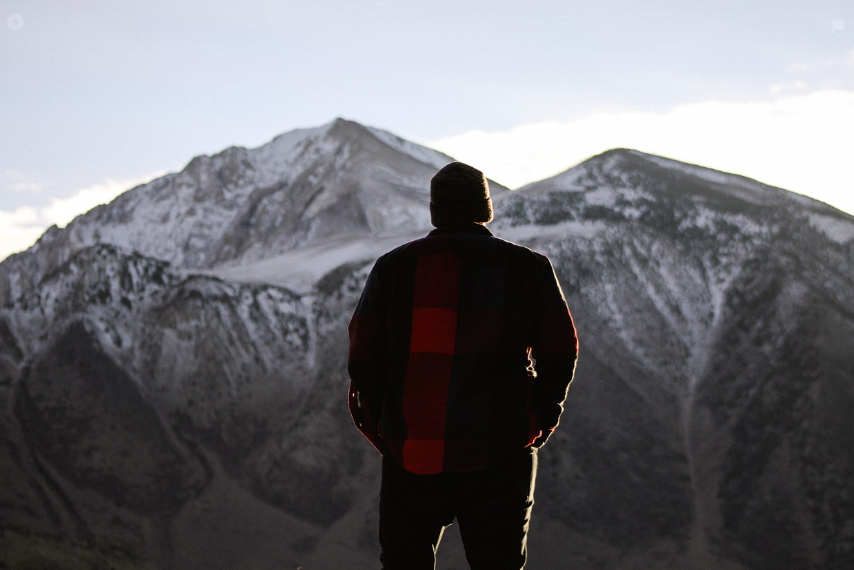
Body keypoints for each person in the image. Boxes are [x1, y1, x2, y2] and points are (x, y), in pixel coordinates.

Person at [347, 161, 578, 570]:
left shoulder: (394, 267)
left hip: (413, 452)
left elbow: (364, 357)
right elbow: (561, 350)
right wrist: (541, 417)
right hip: (501, 450)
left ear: (436, 211)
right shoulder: (528, 267)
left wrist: (387, 425)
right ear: (485, 209)